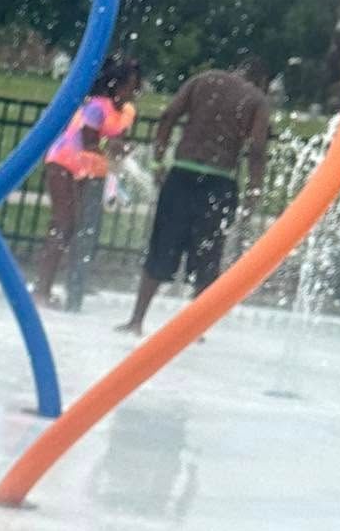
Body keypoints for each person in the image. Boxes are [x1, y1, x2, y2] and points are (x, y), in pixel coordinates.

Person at [120, 55, 273, 334]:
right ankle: (193, 331)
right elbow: (257, 149)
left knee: (161, 248)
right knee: (207, 257)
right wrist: (254, 190)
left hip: (181, 175)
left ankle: (136, 319)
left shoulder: (204, 80)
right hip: (219, 182)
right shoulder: (256, 99)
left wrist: (157, 162)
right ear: (262, 81)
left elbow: (168, 116)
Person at [35, 54, 140, 308]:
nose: (135, 90)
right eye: (130, 85)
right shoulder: (96, 106)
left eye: (137, 85)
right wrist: (112, 147)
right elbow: (89, 142)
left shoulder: (126, 111)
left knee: (81, 227)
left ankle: (76, 280)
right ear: (116, 84)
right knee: (64, 223)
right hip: (63, 162)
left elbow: (116, 140)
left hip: (88, 169)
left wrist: (122, 149)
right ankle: (42, 289)